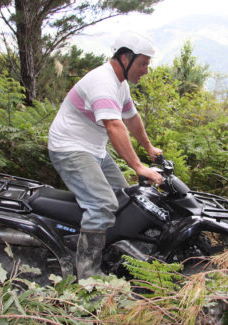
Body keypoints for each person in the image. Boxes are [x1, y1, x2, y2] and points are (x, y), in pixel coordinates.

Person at [48, 31, 163, 279]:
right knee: (102, 206)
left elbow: (131, 118)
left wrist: (149, 149)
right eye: (143, 63)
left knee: (127, 201)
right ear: (125, 58)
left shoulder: (119, 84)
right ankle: (87, 276)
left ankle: (114, 254)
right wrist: (138, 166)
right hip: (70, 149)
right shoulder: (103, 82)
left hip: (93, 150)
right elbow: (114, 126)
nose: (145, 70)